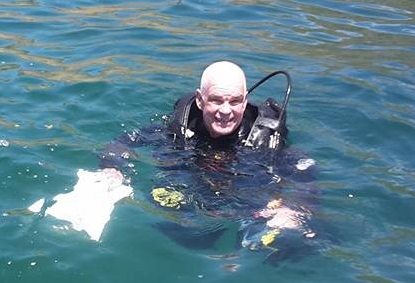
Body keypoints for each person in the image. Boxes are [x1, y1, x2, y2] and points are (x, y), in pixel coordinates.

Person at [101, 61, 317, 250]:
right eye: (216, 100)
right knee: (169, 219)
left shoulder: (262, 137)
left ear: (244, 101)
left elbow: (305, 170)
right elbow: (122, 142)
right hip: (192, 200)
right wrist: (112, 167)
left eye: (234, 101)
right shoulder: (180, 128)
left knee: (300, 241)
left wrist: (295, 206)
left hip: (250, 202)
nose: (225, 111)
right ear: (200, 100)